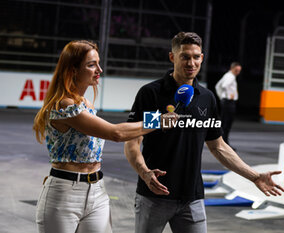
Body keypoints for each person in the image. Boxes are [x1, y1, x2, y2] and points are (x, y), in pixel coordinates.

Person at [124, 32, 284, 233]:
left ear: (202, 57)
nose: (191, 62)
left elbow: (218, 147)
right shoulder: (150, 93)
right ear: (172, 57)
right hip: (153, 197)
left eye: (196, 56)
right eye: (185, 56)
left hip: (192, 198)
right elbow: (132, 142)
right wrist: (144, 172)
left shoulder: (207, 98)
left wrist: (254, 176)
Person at [32, 40, 177, 233]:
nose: (99, 69)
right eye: (91, 65)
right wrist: (157, 120)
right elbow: (115, 133)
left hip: (97, 191)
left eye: (98, 63)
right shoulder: (64, 105)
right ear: (73, 69)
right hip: (64, 192)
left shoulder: (87, 104)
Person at [215, 62, 242, 145]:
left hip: (225, 101)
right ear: (232, 68)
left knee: (224, 123)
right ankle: (225, 143)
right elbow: (224, 86)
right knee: (227, 124)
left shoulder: (227, 75)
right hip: (229, 102)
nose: (238, 72)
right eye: (236, 70)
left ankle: (223, 142)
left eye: (239, 70)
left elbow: (217, 86)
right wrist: (227, 96)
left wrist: (221, 97)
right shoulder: (230, 76)